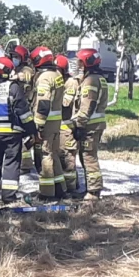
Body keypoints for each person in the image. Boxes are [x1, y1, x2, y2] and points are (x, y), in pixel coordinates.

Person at [0, 55, 36, 205]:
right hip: (13, 134)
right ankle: (8, 197)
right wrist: (32, 130)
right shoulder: (13, 87)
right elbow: (23, 112)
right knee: (11, 163)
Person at [73, 48, 110, 199]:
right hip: (96, 124)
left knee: (89, 156)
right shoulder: (99, 78)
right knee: (86, 156)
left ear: (87, 62)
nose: (78, 64)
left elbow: (87, 105)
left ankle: (93, 192)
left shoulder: (91, 80)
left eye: (80, 61)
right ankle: (92, 188)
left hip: (90, 125)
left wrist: (80, 125)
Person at [29, 47, 65, 199]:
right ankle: (60, 188)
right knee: (53, 154)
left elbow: (43, 104)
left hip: (47, 123)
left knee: (46, 155)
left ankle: (47, 193)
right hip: (56, 122)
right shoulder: (57, 74)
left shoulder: (44, 78)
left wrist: (38, 125)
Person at [10, 44, 38, 174]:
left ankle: (26, 165)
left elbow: (26, 77)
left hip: (26, 107)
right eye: (13, 56)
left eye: (16, 56)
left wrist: (16, 77)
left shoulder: (26, 70)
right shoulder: (15, 68)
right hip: (17, 107)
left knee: (25, 136)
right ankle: (23, 162)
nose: (13, 59)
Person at [57, 54, 81, 196]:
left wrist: (52, 95)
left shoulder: (70, 82)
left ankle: (71, 189)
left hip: (67, 127)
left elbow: (65, 104)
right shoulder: (60, 81)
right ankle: (68, 185)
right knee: (60, 157)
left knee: (68, 159)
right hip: (59, 126)